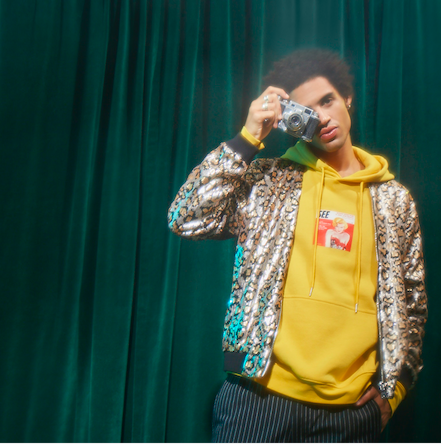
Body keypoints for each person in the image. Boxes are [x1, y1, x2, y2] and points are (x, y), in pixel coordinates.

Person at [168, 49, 427, 443]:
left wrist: (397, 388)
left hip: (351, 412)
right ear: (290, 122)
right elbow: (186, 217)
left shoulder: (394, 201)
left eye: (328, 101)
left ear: (347, 98)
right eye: (307, 111)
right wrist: (248, 137)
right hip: (258, 398)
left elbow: (412, 299)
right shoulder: (267, 183)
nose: (322, 118)